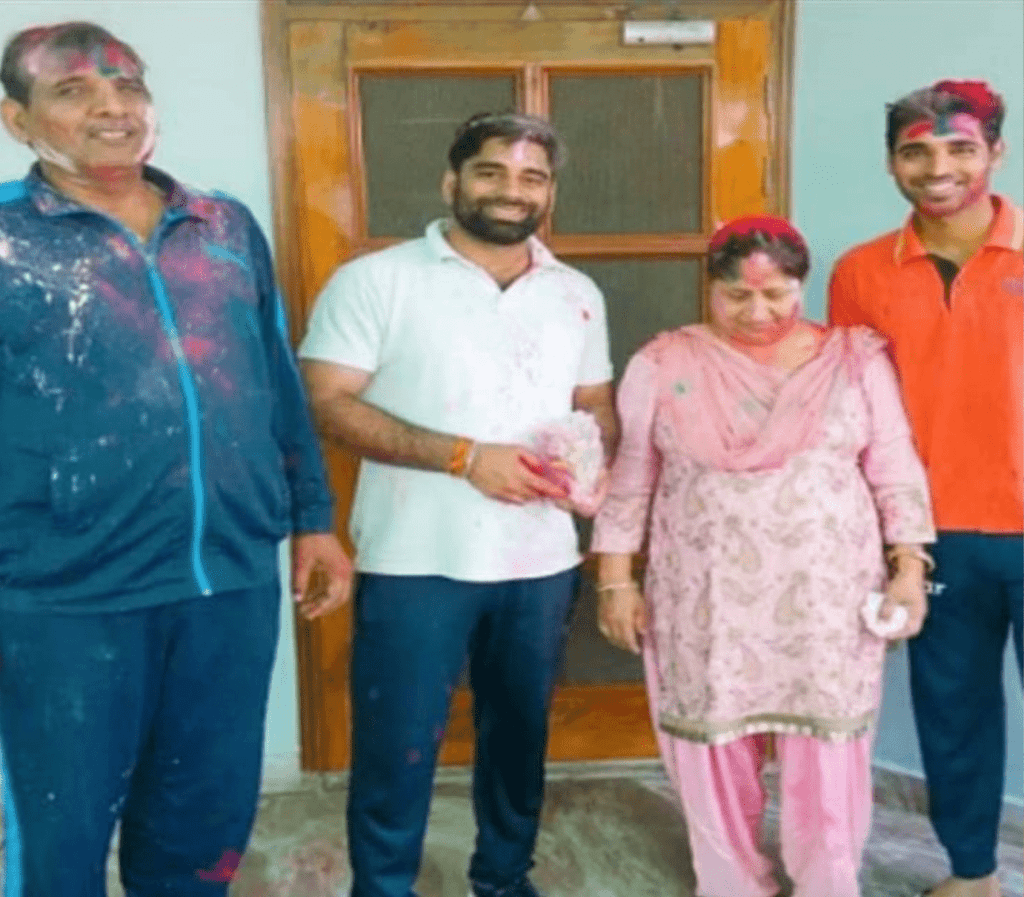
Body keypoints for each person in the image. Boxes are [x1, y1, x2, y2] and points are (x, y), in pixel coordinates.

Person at [0, 21, 352, 896]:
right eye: (73, 90)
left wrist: (313, 518)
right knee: (60, 841)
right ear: (17, 118)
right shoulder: (9, 243)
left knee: (202, 831)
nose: (111, 106)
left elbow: (273, 378)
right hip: (65, 597)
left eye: (128, 85)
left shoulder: (223, 224)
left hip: (227, 583)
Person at [299, 111, 616, 897]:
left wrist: (584, 451)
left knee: (519, 740)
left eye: (531, 177)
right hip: (415, 558)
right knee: (397, 745)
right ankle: (382, 886)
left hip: (540, 561)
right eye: (491, 172)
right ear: (453, 181)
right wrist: (465, 457)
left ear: (549, 192)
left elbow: (597, 405)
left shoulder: (575, 292)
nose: (511, 191)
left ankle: (504, 878)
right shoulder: (377, 279)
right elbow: (327, 403)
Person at [592, 215, 936, 897]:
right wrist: (613, 581)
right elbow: (631, 478)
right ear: (708, 287)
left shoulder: (853, 360)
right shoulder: (664, 363)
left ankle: (827, 882)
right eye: (736, 295)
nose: (757, 312)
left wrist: (909, 568)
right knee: (711, 745)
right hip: (705, 593)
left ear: (801, 285)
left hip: (826, 596)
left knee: (828, 753)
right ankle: (731, 882)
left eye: (777, 294)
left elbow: (895, 468)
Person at [828, 80, 1023, 897]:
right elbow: (848, 415)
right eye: (917, 150)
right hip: (932, 536)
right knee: (955, 715)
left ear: (995, 152)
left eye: (959, 147)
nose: (937, 166)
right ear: (892, 161)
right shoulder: (863, 272)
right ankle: (973, 873)